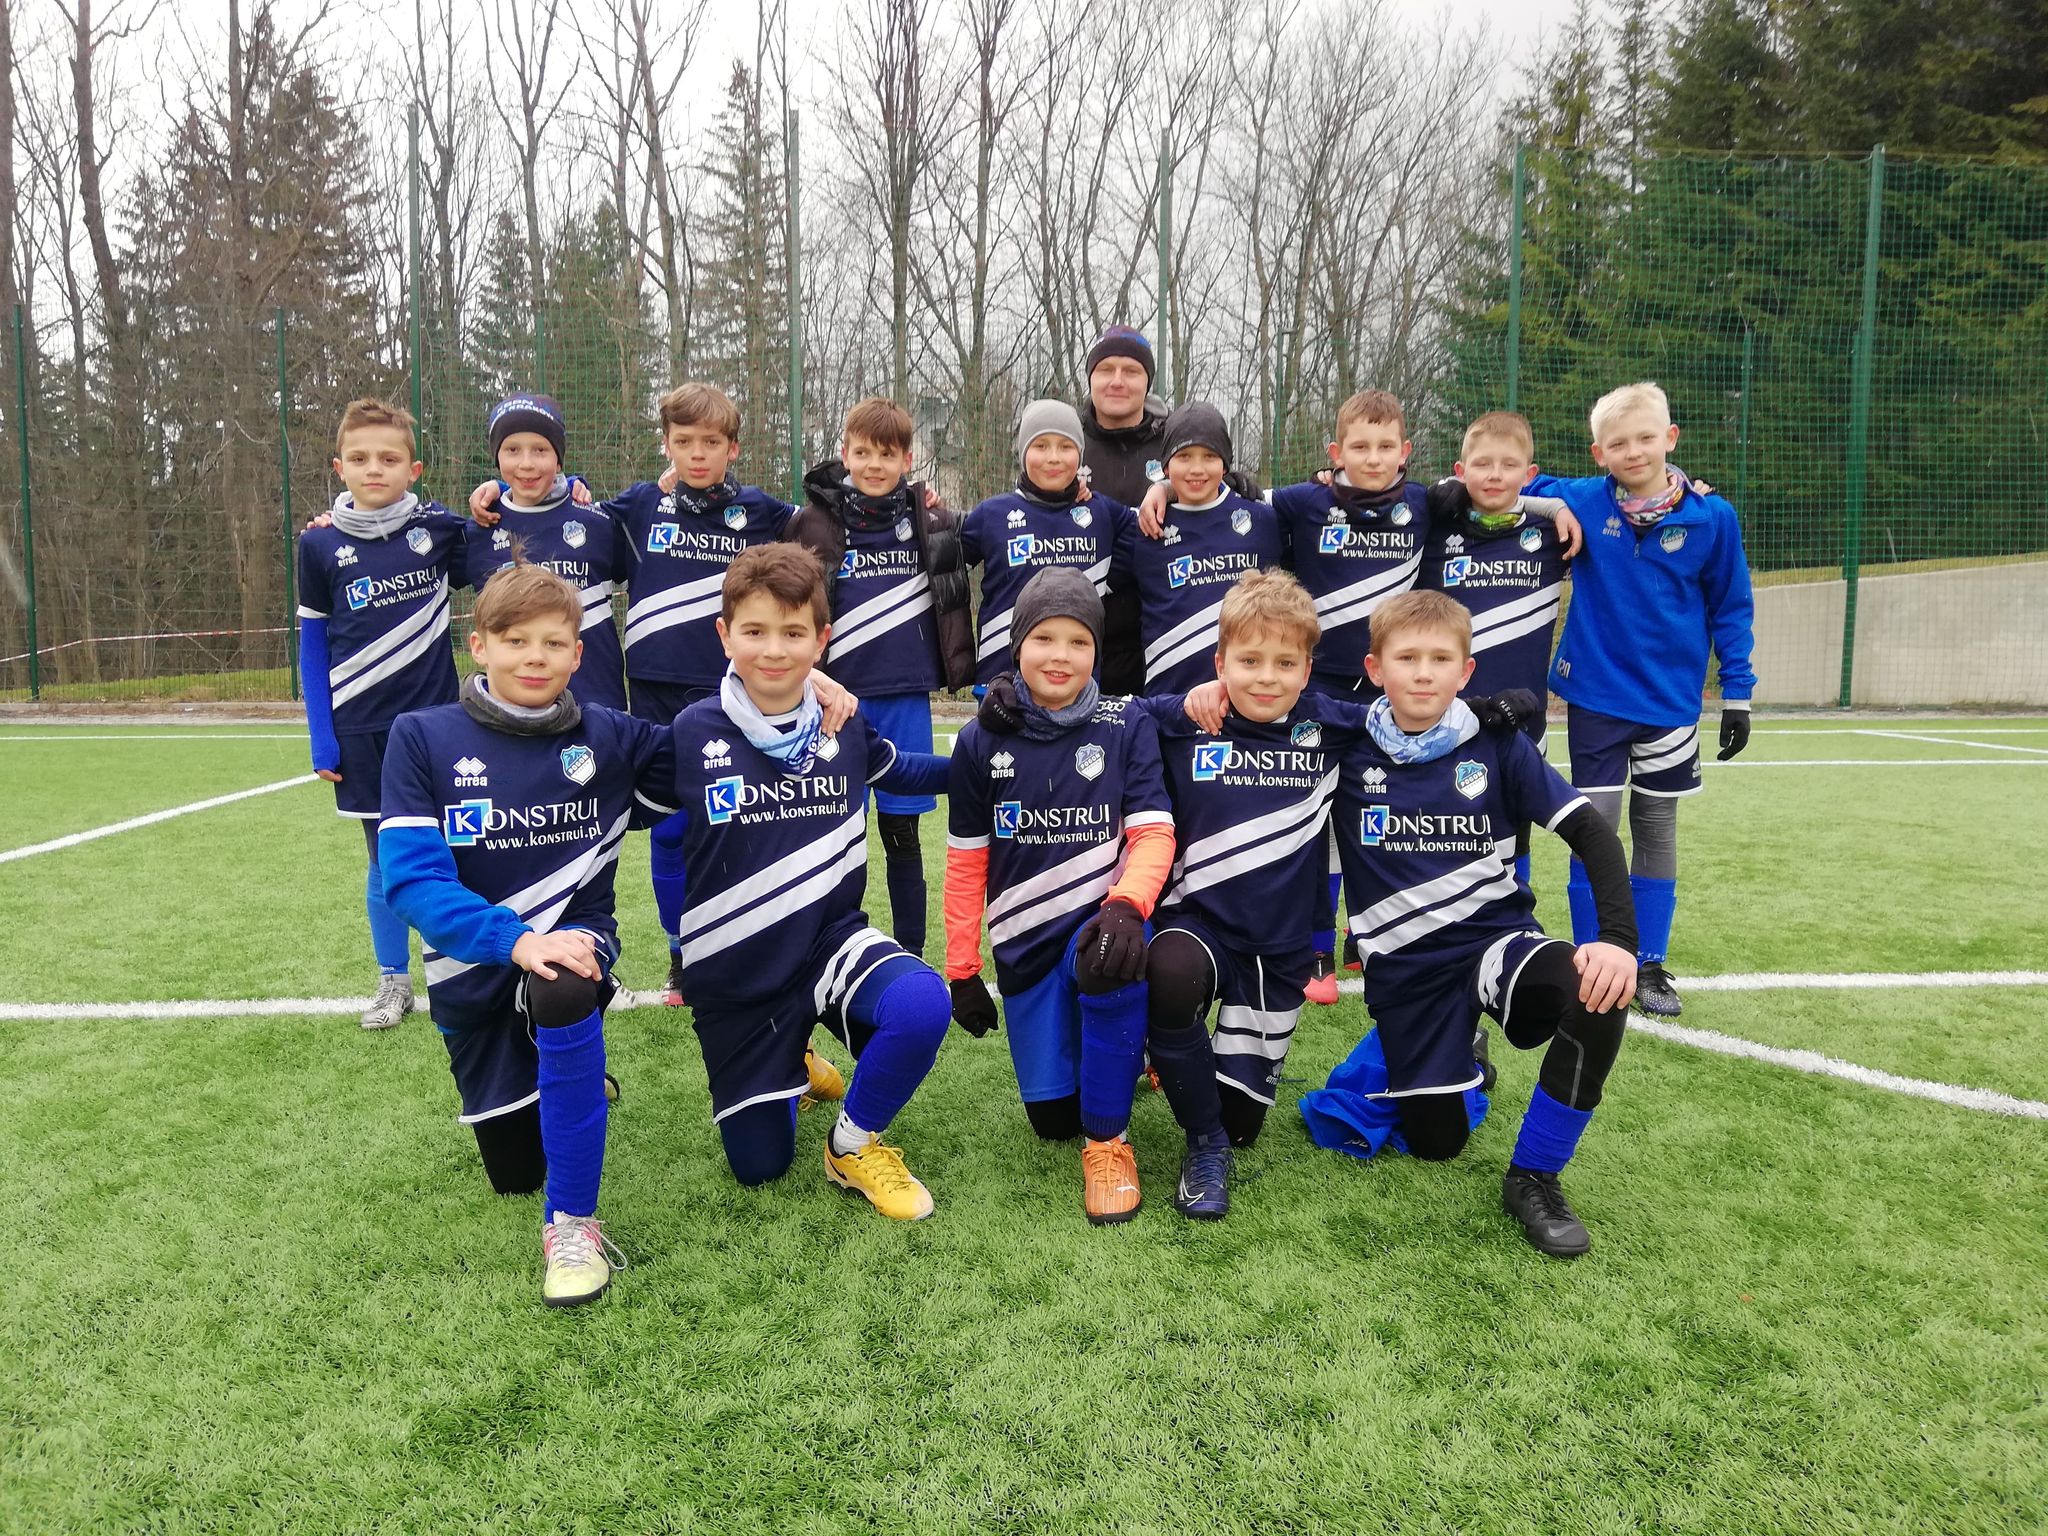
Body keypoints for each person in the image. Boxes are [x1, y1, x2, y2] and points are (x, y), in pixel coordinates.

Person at [376, 560, 681, 1307]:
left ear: (578, 653)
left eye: (553, 643)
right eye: (515, 641)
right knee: (515, 1173)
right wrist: (512, 939)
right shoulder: (421, 737)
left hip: (574, 946)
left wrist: (807, 685)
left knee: (563, 983)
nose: (534, 658)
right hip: (474, 972)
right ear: (479, 646)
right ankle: (569, 1072)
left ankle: (572, 1226)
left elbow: (719, 745)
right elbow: (411, 883)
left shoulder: (610, 735)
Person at [1303, 590, 1638, 1258]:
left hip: (1496, 942)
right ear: (1374, 668)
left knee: (1597, 992)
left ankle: (1534, 1177)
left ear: (1466, 671)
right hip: (1407, 972)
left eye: (1440, 659)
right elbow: (1268, 698)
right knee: (1437, 1143)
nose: (1423, 673)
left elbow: (1591, 832)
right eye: (1407, 658)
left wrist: (1619, 943)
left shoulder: (1497, 743)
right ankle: (1470, 1058)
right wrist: (1205, 696)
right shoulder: (1345, 741)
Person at [665, 543, 956, 1219]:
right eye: (755, 631)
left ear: (821, 640)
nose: (774, 649)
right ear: (724, 635)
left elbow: (906, 770)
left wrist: (993, 764)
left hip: (829, 942)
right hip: (738, 969)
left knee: (921, 1003)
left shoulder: (842, 723)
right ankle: (793, 1058)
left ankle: (850, 1146)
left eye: (793, 634)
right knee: (759, 1168)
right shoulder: (690, 733)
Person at [943, 568, 1176, 1224]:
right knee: (1052, 1121)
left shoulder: (1126, 723)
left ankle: (1110, 1146)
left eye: (1079, 641)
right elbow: (965, 862)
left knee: (1110, 961)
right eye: (1044, 638)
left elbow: (1154, 833)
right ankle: (1129, 1050)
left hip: (1101, 926)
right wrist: (962, 969)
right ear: (1018, 644)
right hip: (1025, 947)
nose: (1061, 656)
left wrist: (1127, 903)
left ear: (1097, 650)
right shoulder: (980, 737)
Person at [1529, 381, 1756, 1018]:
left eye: (1646, 438)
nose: (1633, 451)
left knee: (1656, 828)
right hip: (1596, 700)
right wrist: (1555, 506)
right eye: (1618, 443)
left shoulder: (1712, 517)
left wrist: (1738, 694)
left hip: (1670, 705)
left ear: (1670, 438)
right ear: (1598, 453)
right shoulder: (1584, 497)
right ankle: (1592, 957)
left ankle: (1649, 962)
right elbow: (1512, 483)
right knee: (1593, 830)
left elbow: (1732, 606)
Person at [296, 398, 464, 1030]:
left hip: (440, 728)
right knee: (385, 859)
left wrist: (563, 484)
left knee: (459, 849)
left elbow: (502, 526)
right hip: (361, 731)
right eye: (360, 458)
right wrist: (322, 738)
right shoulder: (318, 544)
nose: (375, 469)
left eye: (389, 459)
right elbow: (313, 645)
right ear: (339, 467)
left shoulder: (439, 531)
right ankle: (394, 980)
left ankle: (462, 967)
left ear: (413, 469)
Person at [790, 397, 974, 960]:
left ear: (907, 460)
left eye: (887, 455)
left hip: (904, 699)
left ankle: (910, 952)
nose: (874, 465)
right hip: (832, 702)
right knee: (830, 834)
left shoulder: (932, 520)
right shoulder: (809, 521)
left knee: (901, 835)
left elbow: (994, 532)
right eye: (864, 453)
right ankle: (827, 948)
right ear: (844, 454)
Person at [1421, 410, 1573, 889]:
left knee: (1515, 833)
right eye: (1482, 464)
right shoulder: (1433, 528)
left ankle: (1514, 918)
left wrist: (1554, 506)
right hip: (1443, 714)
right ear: (1460, 470)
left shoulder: (1551, 534)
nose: (1494, 475)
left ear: (1530, 475)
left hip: (1521, 713)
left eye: (1509, 465)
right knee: (1439, 832)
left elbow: (1618, 492)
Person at [1077, 325, 1261, 693]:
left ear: (1148, 381)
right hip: (1085, 634)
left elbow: (1205, 483)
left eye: (1131, 371)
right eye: (1106, 369)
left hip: (1162, 637)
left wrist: (1168, 486)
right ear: (1090, 378)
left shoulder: (1176, 439)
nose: (1117, 381)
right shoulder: (1065, 444)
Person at [460, 394, 630, 712]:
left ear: (559, 459)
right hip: (512, 711)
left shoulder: (599, 522)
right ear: (497, 458)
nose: (526, 463)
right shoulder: (479, 530)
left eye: (540, 450)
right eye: (512, 450)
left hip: (597, 707)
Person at [959, 399, 1136, 686]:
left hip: (1075, 683)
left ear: (1080, 455)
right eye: (1040, 446)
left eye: (1065, 447)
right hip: (1001, 682)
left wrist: (1165, 490)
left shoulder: (1101, 512)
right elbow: (944, 561)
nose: (1053, 457)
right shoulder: (992, 514)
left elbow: (1149, 530)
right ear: (1023, 453)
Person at [1125, 402, 1284, 696]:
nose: (1197, 468)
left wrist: (1327, 475)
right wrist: (1160, 488)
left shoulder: (1263, 518)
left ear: (1225, 464)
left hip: (1246, 699)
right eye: (1184, 456)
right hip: (1170, 701)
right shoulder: (1143, 525)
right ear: (1165, 466)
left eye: (1210, 456)